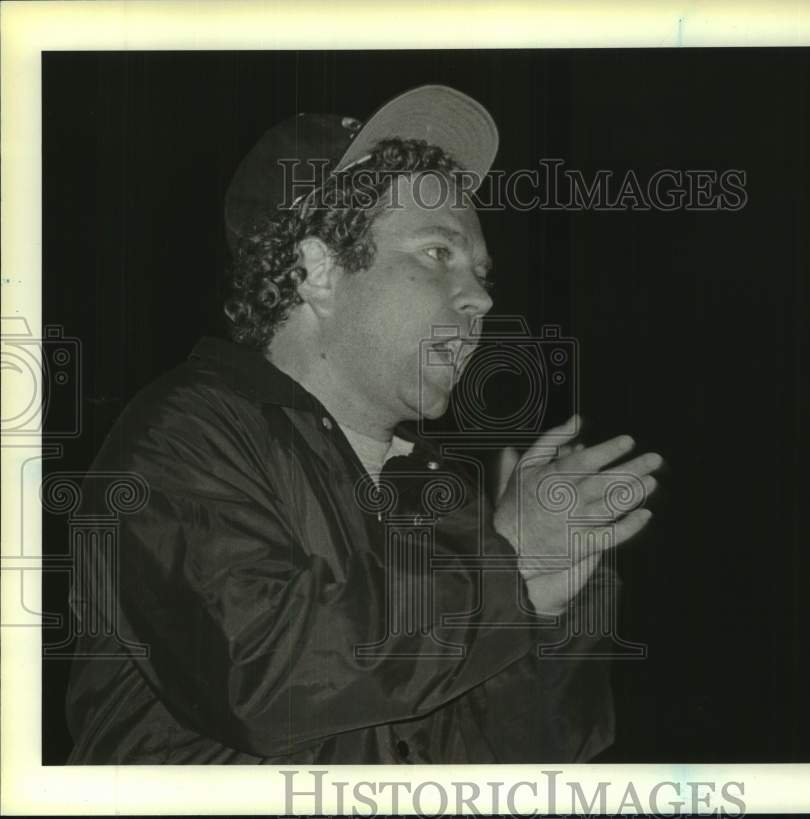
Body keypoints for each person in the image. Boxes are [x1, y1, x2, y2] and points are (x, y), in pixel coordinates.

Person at [64, 85, 663, 764]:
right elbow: (267, 675)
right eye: (440, 253)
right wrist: (508, 560)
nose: (483, 296)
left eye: (482, 270)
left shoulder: (438, 498)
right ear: (318, 269)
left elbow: (521, 761)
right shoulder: (182, 437)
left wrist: (548, 613)